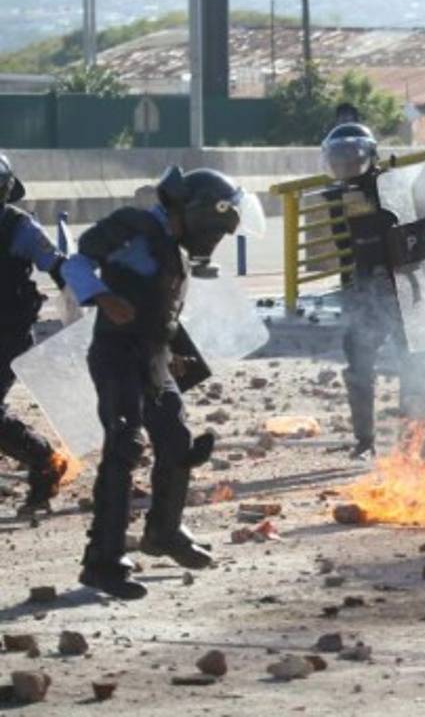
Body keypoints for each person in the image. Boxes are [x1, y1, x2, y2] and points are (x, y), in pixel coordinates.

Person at [63, 167, 262, 599]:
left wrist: (175, 353)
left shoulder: (175, 249)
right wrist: (99, 296)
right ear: (191, 212)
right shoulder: (132, 227)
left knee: (177, 441)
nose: (213, 241)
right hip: (116, 354)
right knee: (125, 445)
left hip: (154, 359)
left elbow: (161, 310)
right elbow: (76, 262)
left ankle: (163, 533)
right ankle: (102, 562)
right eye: (212, 230)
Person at [322, 123, 425, 459]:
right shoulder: (339, 198)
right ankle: (365, 440)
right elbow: (345, 251)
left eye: (351, 159)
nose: (345, 166)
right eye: (338, 160)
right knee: (358, 361)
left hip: (400, 290)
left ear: (368, 156)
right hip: (364, 292)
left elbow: (415, 240)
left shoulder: (393, 188)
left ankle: (411, 439)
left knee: (412, 364)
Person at [0, 153, 69, 516]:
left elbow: (58, 266)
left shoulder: (19, 227)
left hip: (6, 333)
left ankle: (45, 460)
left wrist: (93, 299)